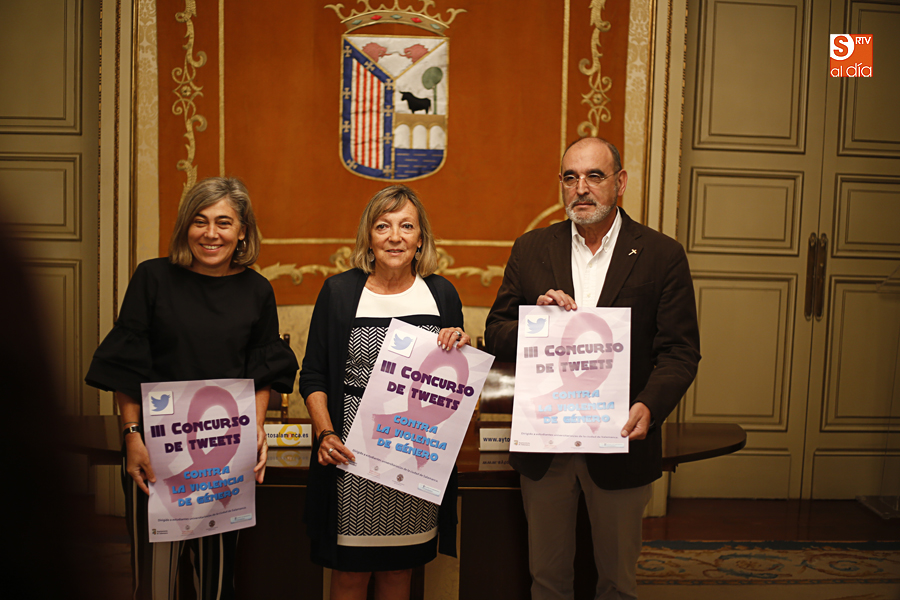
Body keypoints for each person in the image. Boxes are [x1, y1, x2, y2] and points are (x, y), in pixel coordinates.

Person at [484, 137, 701, 600]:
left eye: (594, 176)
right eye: (570, 177)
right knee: (546, 579)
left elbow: (680, 351)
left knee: (618, 583)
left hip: (621, 442)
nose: (581, 188)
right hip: (546, 446)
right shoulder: (531, 249)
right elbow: (496, 331)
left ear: (619, 183)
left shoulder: (662, 255)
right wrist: (534, 319)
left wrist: (649, 403)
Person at [85, 177, 299, 599]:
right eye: (200, 221)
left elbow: (261, 371)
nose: (211, 233)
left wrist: (254, 430)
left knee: (217, 582)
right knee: (155, 582)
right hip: (153, 452)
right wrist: (131, 436)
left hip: (224, 455)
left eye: (224, 222)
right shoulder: (152, 278)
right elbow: (126, 367)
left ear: (242, 231)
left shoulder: (257, 290)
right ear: (186, 226)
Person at [300, 184, 469, 600]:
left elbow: (456, 380)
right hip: (351, 460)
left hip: (414, 458)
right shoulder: (339, 293)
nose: (395, 236)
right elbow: (314, 376)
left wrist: (459, 345)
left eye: (406, 226)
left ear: (420, 238)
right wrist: (325, 435)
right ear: (369, 238)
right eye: (383, 226)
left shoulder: (442, 294)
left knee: (399, 572)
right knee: (349, 576)